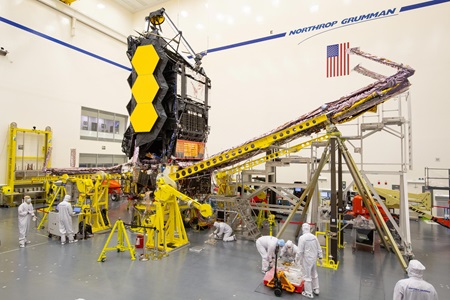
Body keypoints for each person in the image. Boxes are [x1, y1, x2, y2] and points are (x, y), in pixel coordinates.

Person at [297, 223, 323, 299]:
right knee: (314, 273)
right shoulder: (314, 237)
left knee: (307, 275)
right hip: (314, 259)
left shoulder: (302, 238)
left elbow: (300, 251)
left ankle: (309, 293)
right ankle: (316, 288)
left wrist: (296, 259)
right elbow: (319, 248)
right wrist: (320, 257)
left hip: (307, 259)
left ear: (303, 229)